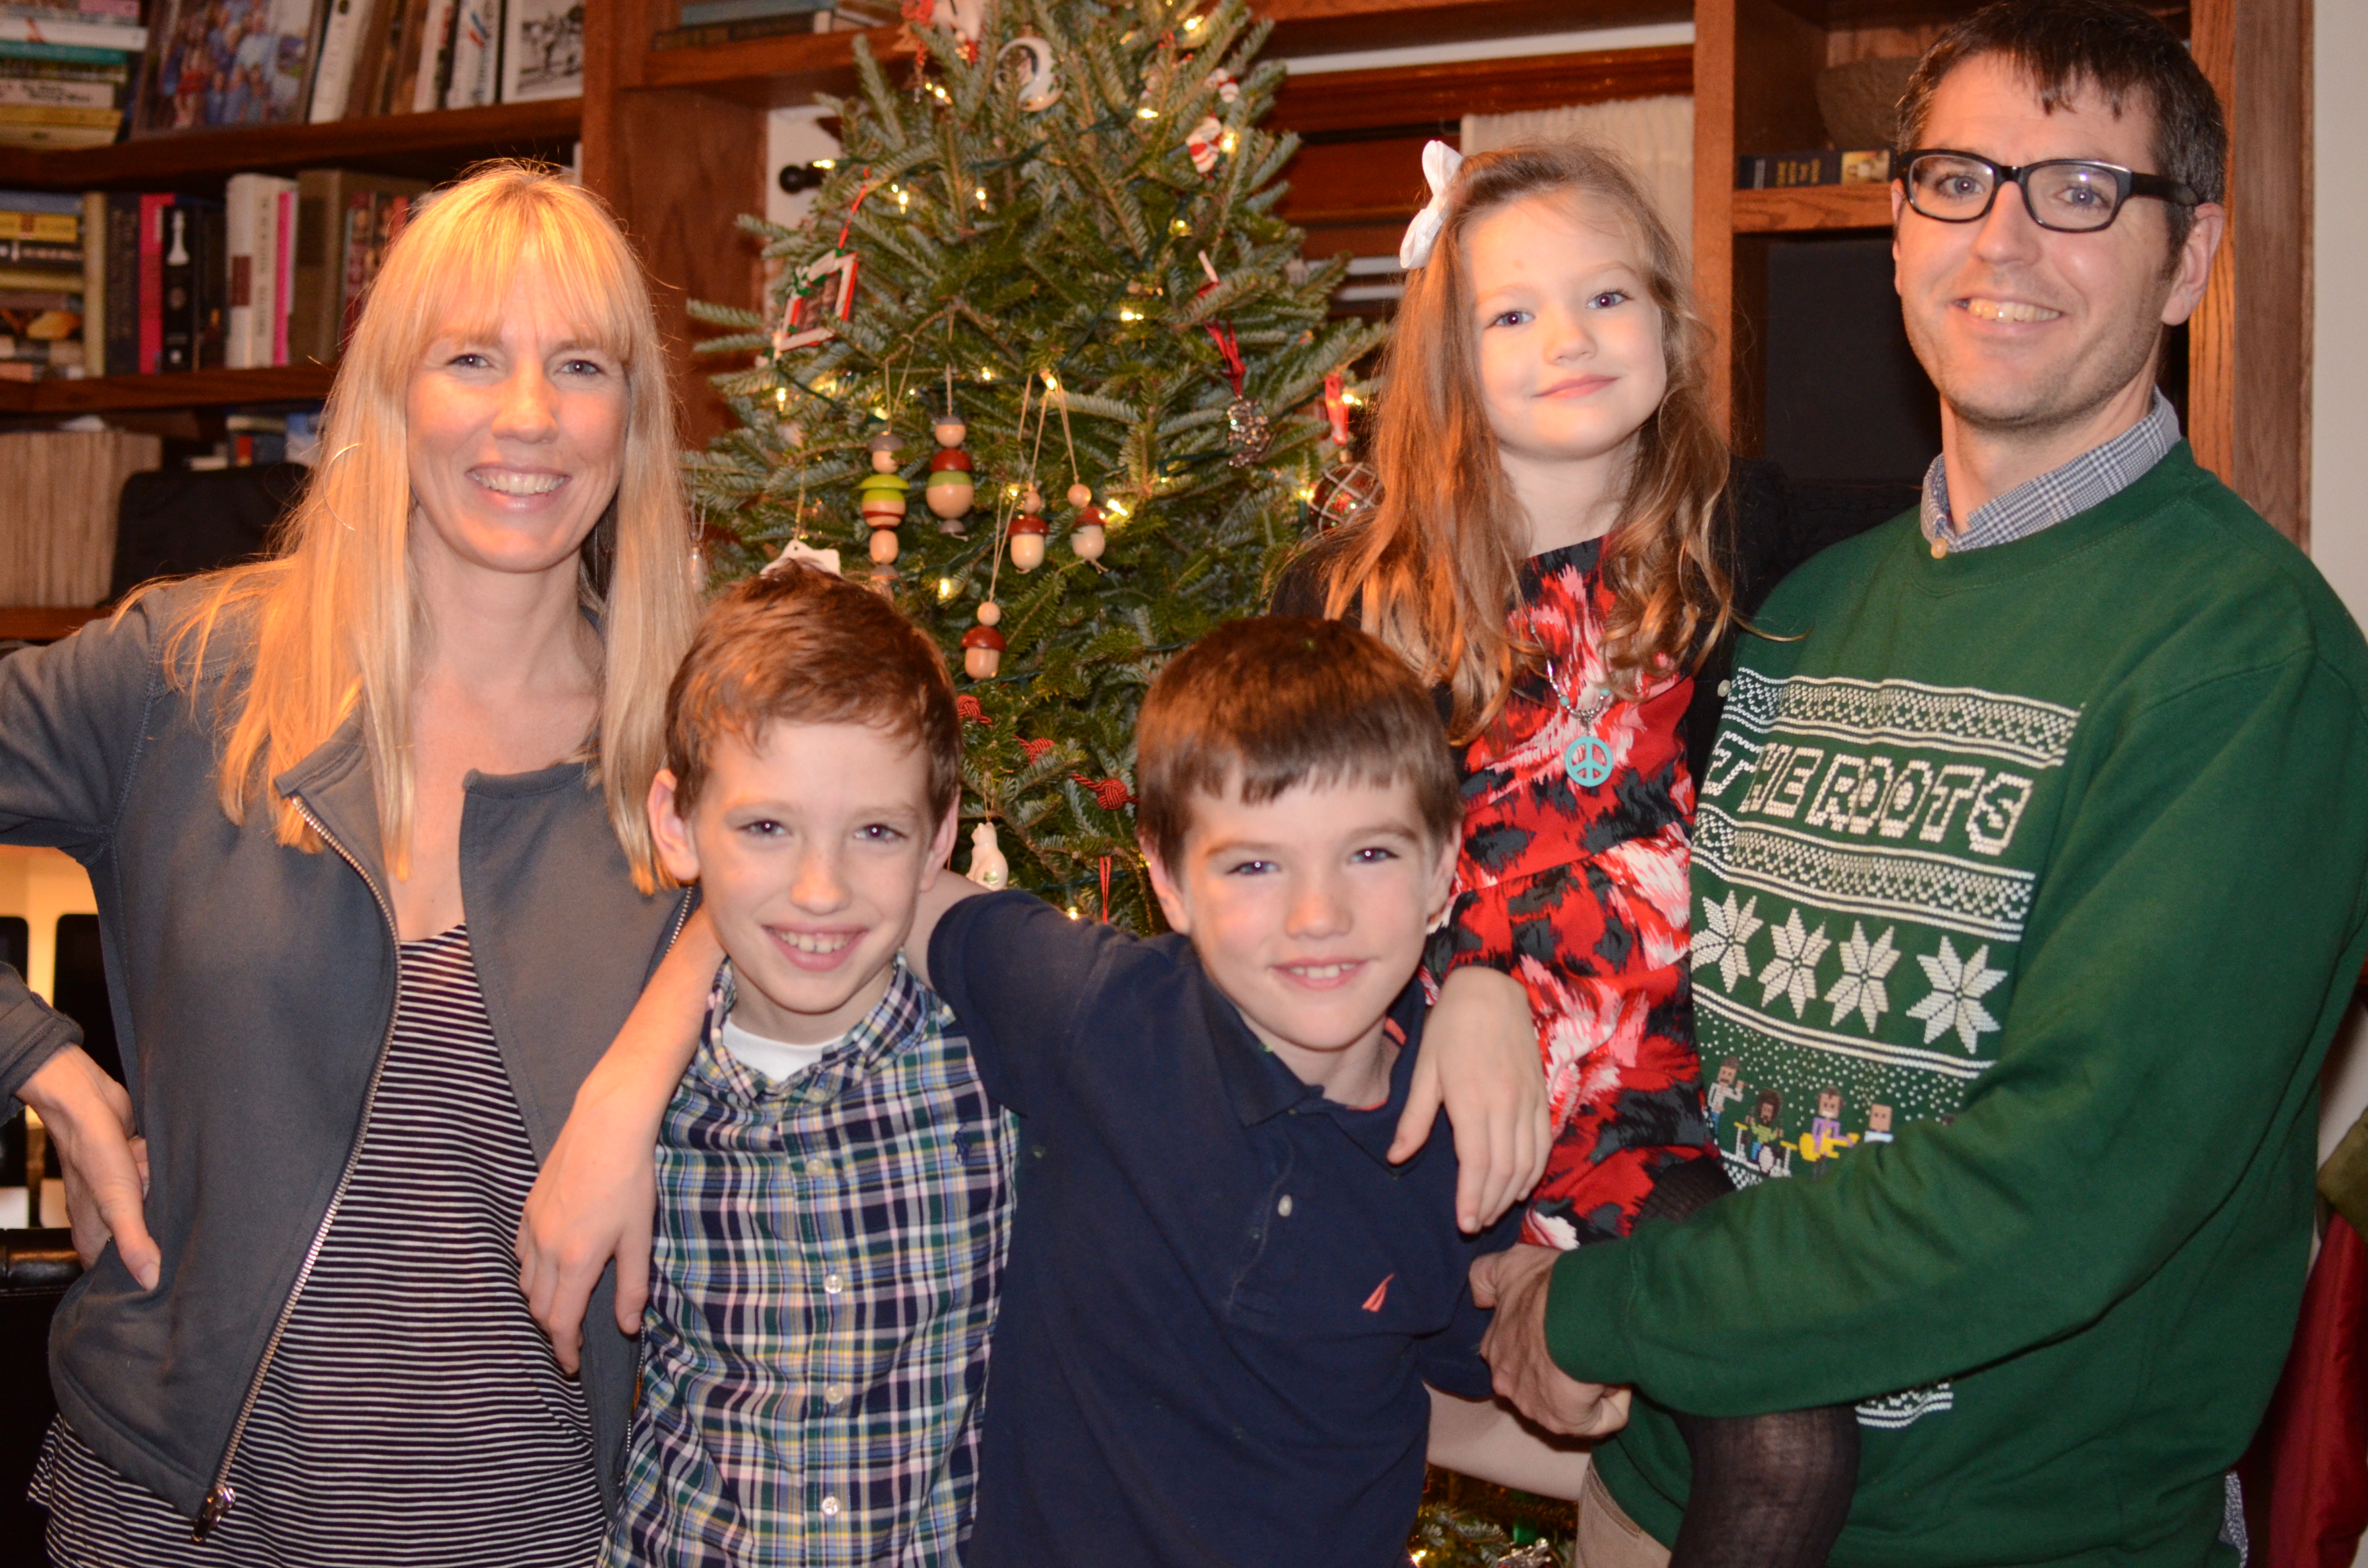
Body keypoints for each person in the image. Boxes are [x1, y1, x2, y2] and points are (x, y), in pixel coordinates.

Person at [1473, 4, 2368, 1564]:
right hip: (1658, 1499)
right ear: (1895, 232)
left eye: (2081, 190)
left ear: (2191, 257)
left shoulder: (2245, 664)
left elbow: (2063, 1192)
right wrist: (1481, 987)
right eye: (1957, 181)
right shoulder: (1796, 607)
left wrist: (1611, 1309)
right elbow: (1602, 918)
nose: (2002, 240)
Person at [3, 161, 702, 1565]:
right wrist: (47, 1070)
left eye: (580, 365)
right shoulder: (190, 671)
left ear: (631, 422)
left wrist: (636, 1079)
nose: (528, 414)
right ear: (388, 397)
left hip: (537, 1536)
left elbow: (898, 895)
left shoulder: (702, 738)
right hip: (180, 1524)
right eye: (471, 358)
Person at [1274, 141, 1892, 1565]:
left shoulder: (1752, 543)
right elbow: (1295, 892)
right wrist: (1463, 980)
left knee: (1794, 1430)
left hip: (1684, 1128)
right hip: (1455, 1120)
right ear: (1449, 363)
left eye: (1608, 297)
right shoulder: (1350, 601)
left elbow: (1974, 513)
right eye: (1513, 313)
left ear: (1672, 331)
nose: (1570, 339)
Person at [604, 563, 1014, 1565]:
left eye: (875, 831)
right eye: (766, 827)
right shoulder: (637, 1097)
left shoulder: (1002, 1075)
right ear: (677, 824)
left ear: (939, 841)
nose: (820, 889)